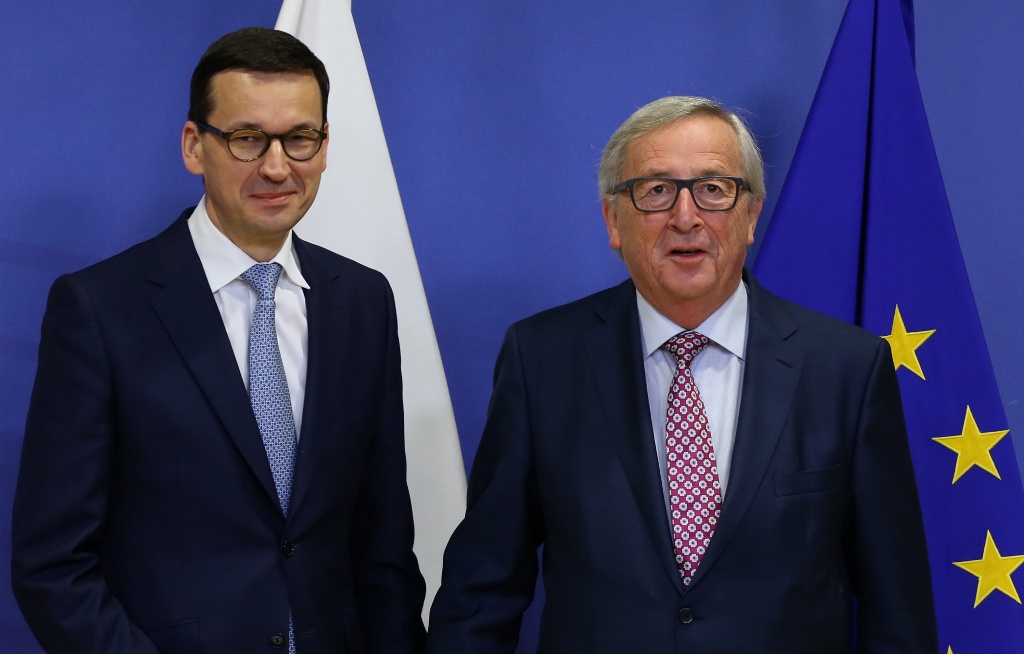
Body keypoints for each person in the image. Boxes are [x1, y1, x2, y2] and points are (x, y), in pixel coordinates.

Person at [426, 96, 937, 652]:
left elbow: (897, 613)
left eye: (713, 189)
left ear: (751, 215)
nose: (686, 218)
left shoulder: (847, 368)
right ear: (613, 220)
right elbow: (481, 592)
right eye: (656, 191)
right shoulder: (542, 359)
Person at [11, 27, 425, 653]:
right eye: (247, 138)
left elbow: (383, 541)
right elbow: (53, 565)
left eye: (299, 138)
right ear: (194, 146)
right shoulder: (100, 308)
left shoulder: (363, 301)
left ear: (324, 144)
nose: (277, 166)